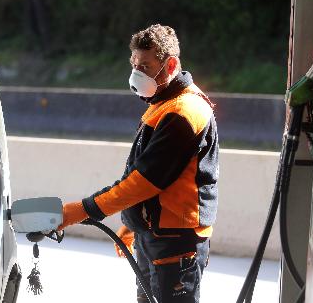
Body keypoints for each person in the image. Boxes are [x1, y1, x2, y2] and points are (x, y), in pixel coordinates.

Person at [58, 24, 219, 303]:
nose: (137, 73)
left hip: (176, 241)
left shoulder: (185, 111)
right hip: (155, 234)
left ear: (170, 65)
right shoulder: (162, 105)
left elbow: (145, 180)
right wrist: (134, 222)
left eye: (145, 65)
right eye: (134, 64)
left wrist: (83, 210)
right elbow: (146, 172)